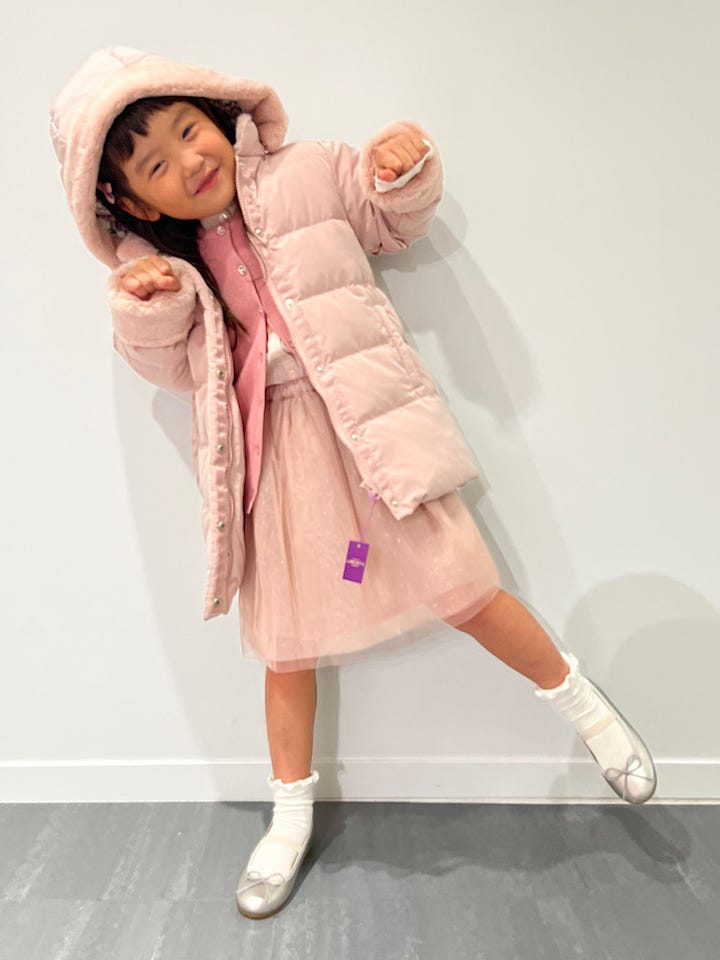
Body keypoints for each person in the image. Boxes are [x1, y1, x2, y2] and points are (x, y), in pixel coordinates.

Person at [50, 47, 657, 920]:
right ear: (139, 204)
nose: (187, 159)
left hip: (369, 426)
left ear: (217, 113)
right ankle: (289, 814)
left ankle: (589, 711)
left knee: (464, 586)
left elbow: (388, 218)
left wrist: (400, 169)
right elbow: (174, 369)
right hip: (277, 456)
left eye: (188, 129)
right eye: (154, 164)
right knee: (285, 647)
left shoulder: (307, 171)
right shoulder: (171, 271)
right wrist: (145, 305)